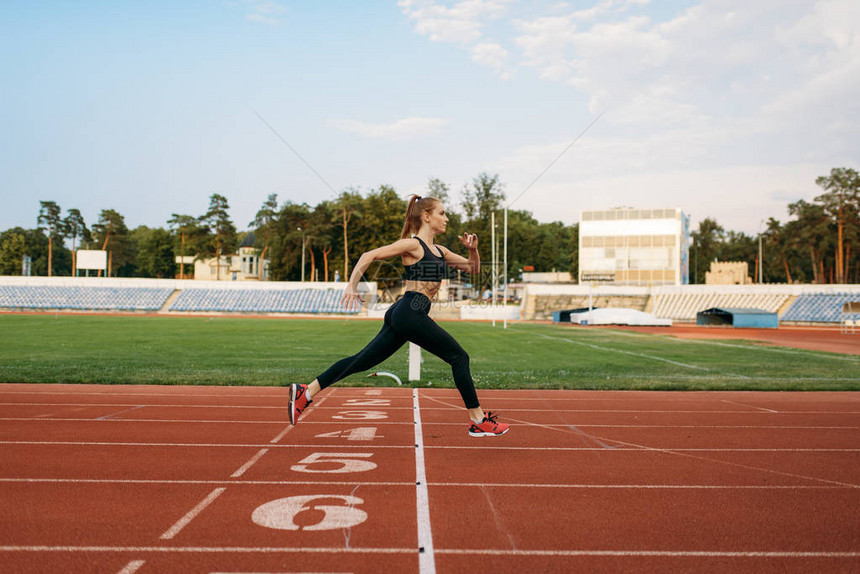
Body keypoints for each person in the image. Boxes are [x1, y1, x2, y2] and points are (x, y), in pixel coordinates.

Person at [288, 195, 509, 437]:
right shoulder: (413, 245)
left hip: (406, 312)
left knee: (361, 361)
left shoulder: (440, 250)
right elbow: (368, 256)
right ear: (427, 217)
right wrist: (352, 285)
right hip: (410, 312)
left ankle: (306, 392)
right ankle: (477, 419)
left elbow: (473, 268)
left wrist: (473, 251)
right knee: (459, 357)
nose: (446, 218)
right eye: (442, 213)